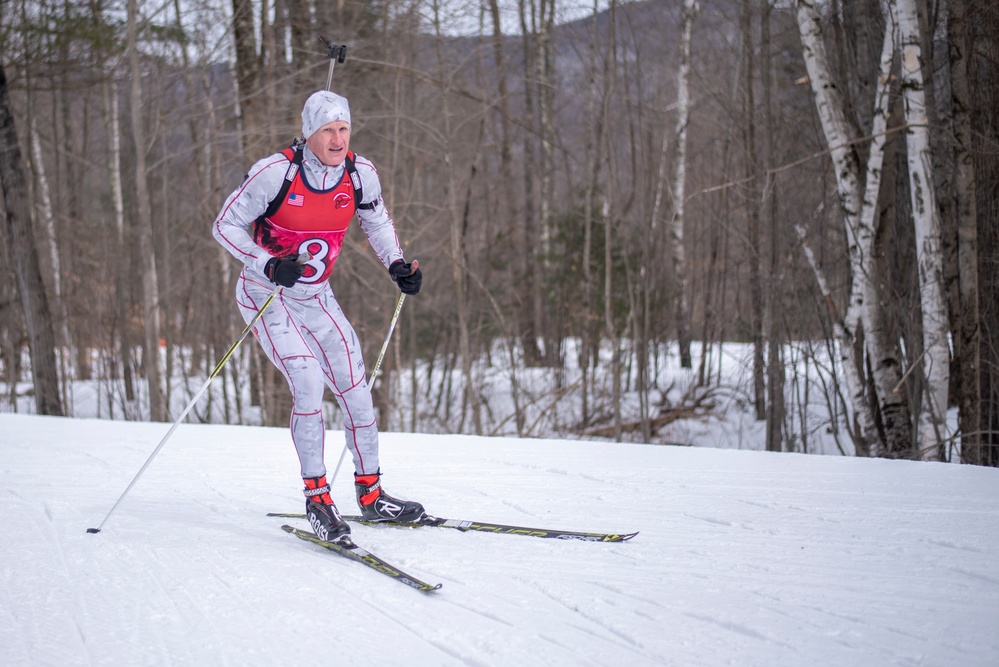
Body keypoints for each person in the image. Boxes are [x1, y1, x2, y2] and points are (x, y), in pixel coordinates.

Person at [213, 90, 426, 542]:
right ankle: (317, 499)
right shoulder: (275, 174)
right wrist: (266, 262)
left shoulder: (359, 174)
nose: (337, 139)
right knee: (308, 381)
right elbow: (225, 225)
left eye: (343, 129)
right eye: (327, 130)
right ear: (309, 133)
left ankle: (372, 496)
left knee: (356, 388)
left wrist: (396, 264)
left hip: (317, 296)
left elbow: (377, 222)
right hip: (266, 294)